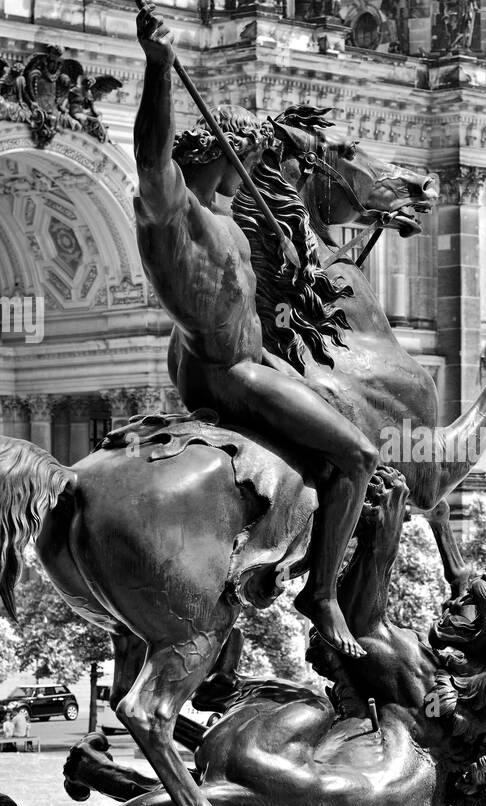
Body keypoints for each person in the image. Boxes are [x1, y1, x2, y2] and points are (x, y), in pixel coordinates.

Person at [133, 2, 377, 658]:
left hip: (251, 362)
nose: (260, 163)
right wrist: (159, 70)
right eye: (253, 153)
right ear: (228, 151)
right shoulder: (176, 210)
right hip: (229, 374)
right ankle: (322, 597)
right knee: (360, 457)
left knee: (336, 425)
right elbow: (152, 158)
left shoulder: (228, 218)